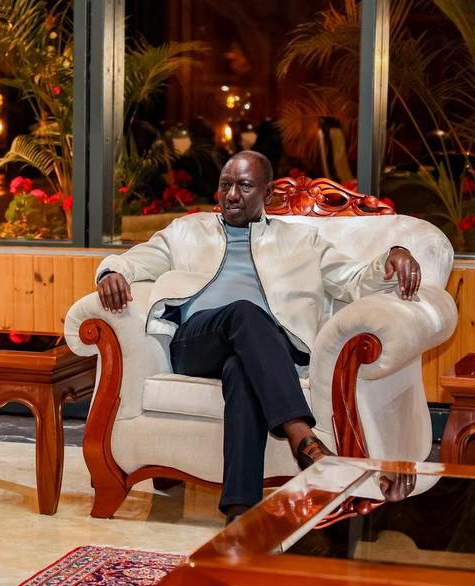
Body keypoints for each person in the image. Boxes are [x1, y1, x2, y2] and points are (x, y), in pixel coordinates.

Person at [96, 150, 419, 523]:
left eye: (244, 186)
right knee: (245, 313)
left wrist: (394, 255)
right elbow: (134, 259)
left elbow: (355, 281)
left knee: (241, 370)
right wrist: (111, 274)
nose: (232, 194)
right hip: (199, 342)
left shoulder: (303, 242)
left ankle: (239, 512)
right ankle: (303, 437)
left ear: (266, 194)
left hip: (267, 352)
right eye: (225, 185)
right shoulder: (188, 230)